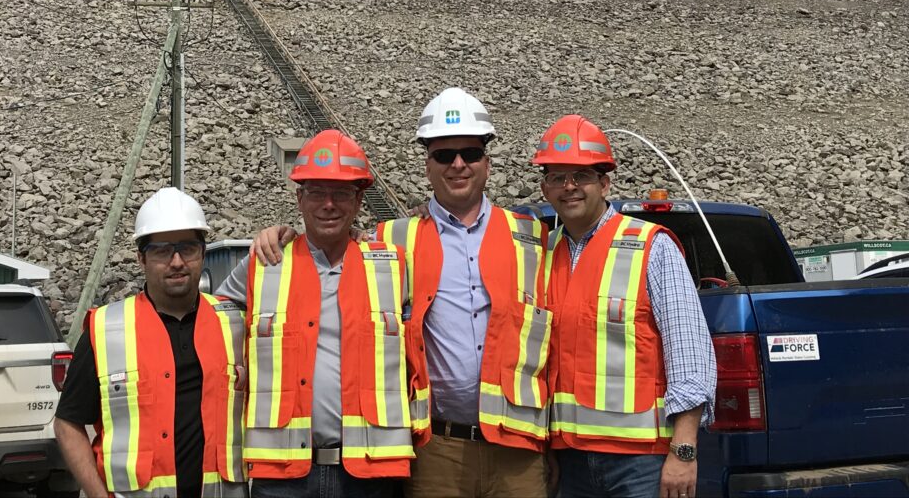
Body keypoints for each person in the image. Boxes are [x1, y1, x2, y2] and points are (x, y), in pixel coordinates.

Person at [251, 89, 553, 498]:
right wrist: (280, 235)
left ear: (488, 160)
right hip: (437, 446)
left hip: (518, 447)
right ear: (427, 164)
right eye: (444, 156)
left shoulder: (532, 237)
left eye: (470, 152)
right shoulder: (391, 240)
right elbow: (329, 236)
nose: (458, 164)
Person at [216, 129, 414, 498]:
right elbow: (212, 323)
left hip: (370, 475)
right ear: (299, 198)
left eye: (341, 193)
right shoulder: (264, 263)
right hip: (283, 477)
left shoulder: (391, 267)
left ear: (358, 201)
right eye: (317, 192)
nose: (329, 204)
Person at [534, 115, 716, 498]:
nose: (569, 187)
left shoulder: (652, 246)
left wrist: (684, 452)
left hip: (641, 463)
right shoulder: (543, 254)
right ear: (544, 188)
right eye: (557, 177)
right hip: (570, 461)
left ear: (604, 183)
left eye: (581, 176)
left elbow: (690, 354)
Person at [54, 187, 246, 498]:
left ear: (202, 252)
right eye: (161, 251)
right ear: (141, 258)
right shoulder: (107, 329)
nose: (176, 261)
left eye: (187, 248)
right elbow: (68, 425)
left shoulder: (235, 323)